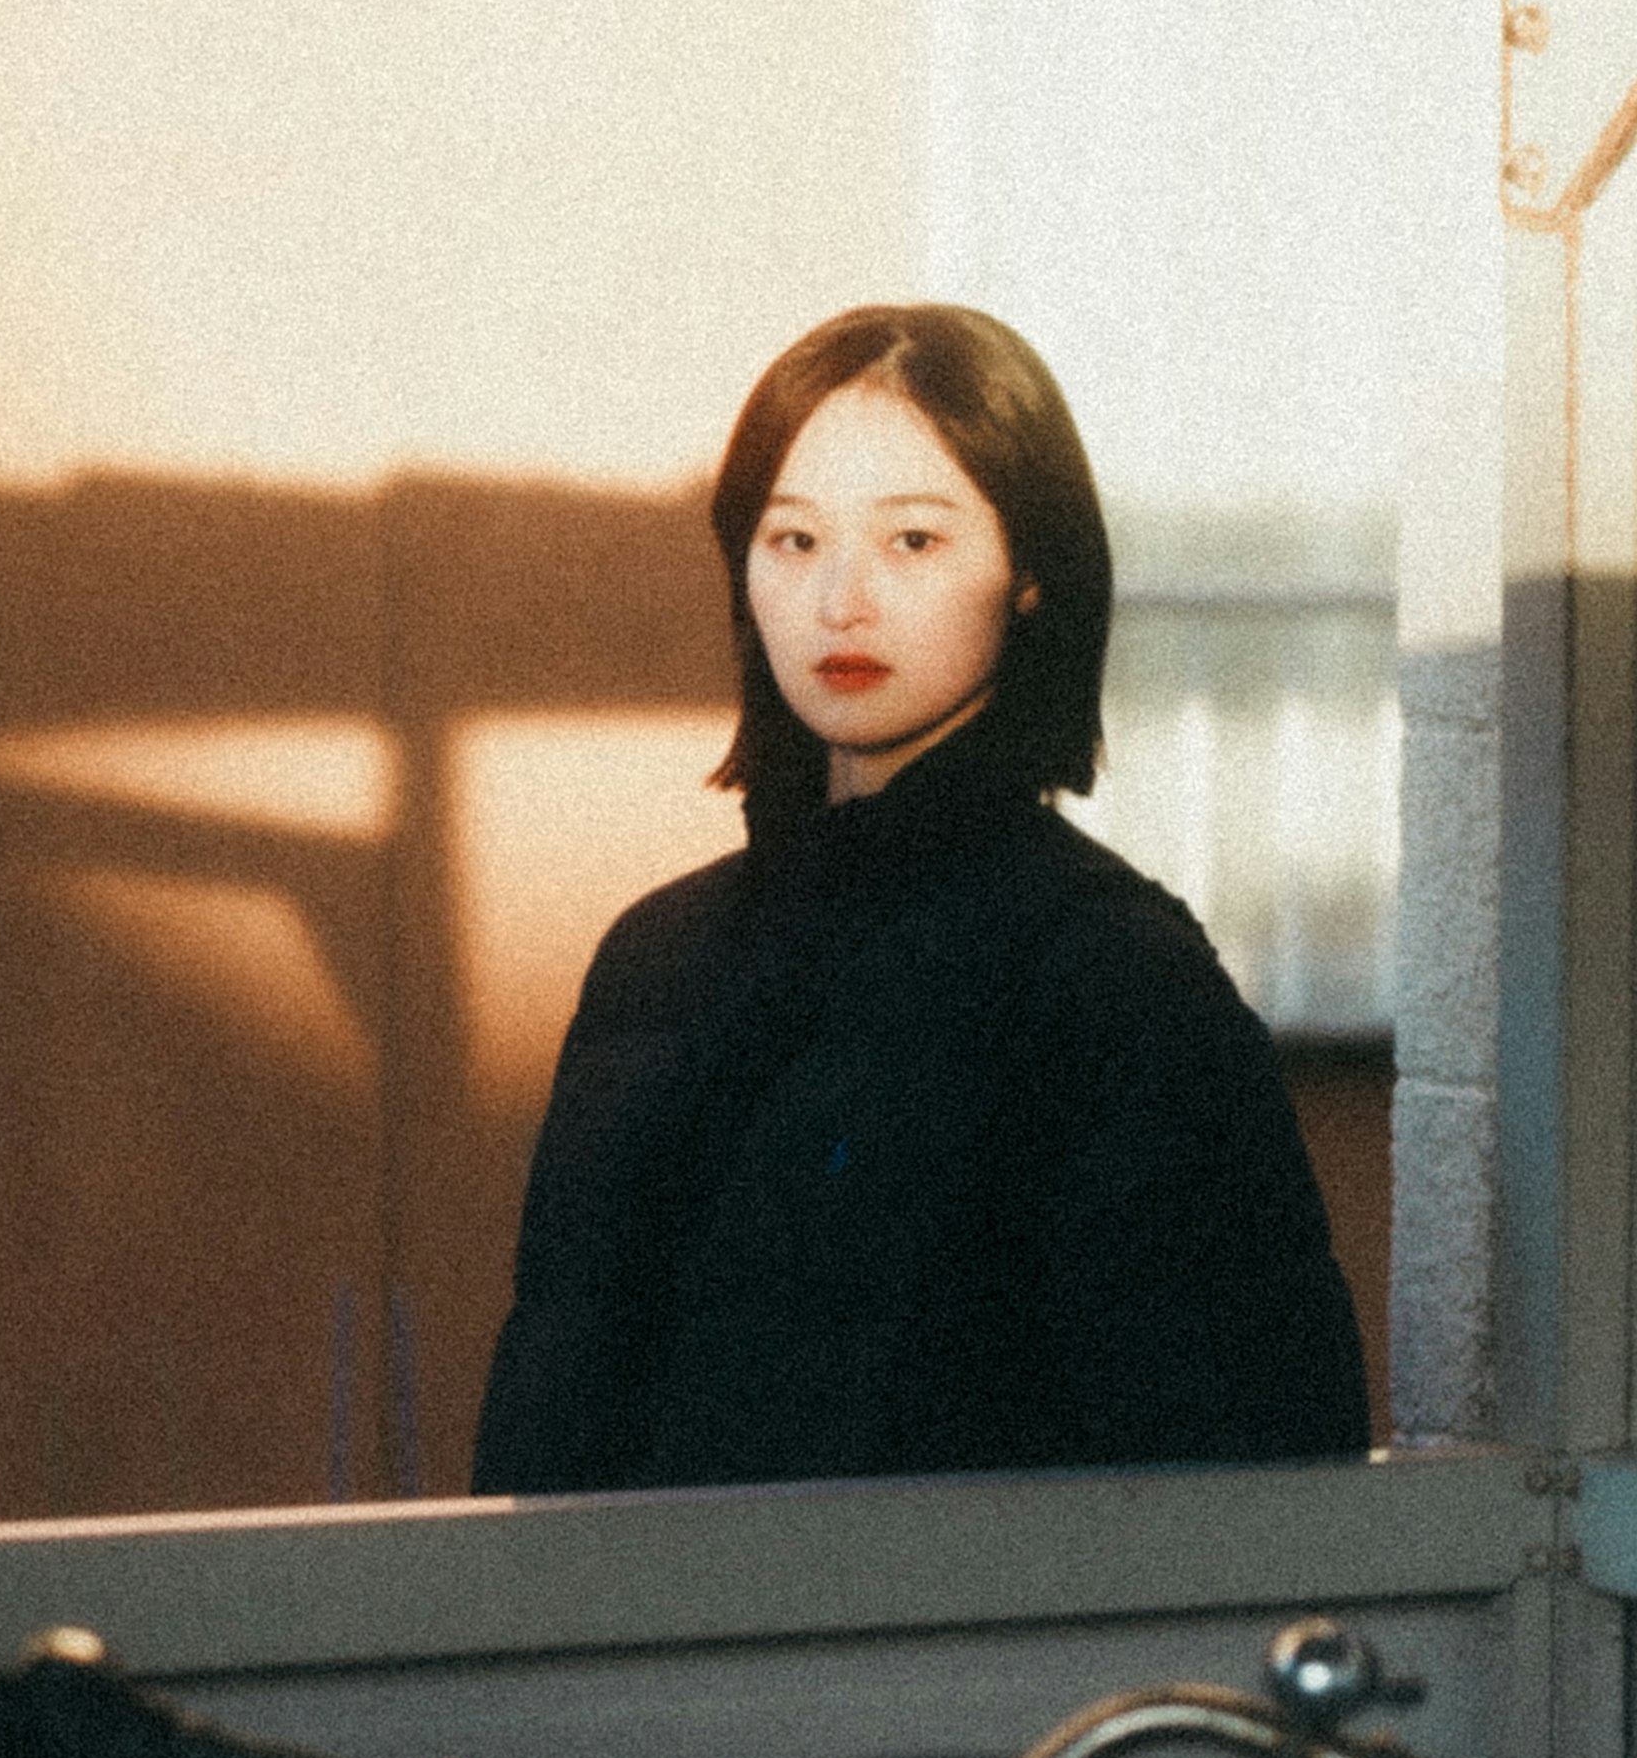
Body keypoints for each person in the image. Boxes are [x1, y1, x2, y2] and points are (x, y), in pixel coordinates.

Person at [472, 305, 1371, 1493]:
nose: (842, 599)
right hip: (630, 1670)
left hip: (952, 1669)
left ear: (1033, 575)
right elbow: (542, 1431)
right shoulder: (658, 952)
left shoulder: (1108, 973)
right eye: (793, 541)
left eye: (913, 542)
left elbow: (1244, 1464)